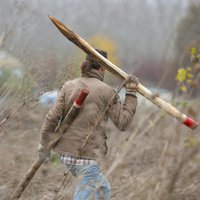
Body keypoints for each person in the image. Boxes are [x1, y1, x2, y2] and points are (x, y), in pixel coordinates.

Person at [38, 49, 139, 200]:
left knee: (102, 189)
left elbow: (52, 117)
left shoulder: (68, 86)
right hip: (87, 156)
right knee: (89, 191)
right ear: (103, 69)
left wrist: (44, 145)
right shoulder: (107, 91)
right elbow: (123, 123)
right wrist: (131, 94)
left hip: (66, 155)